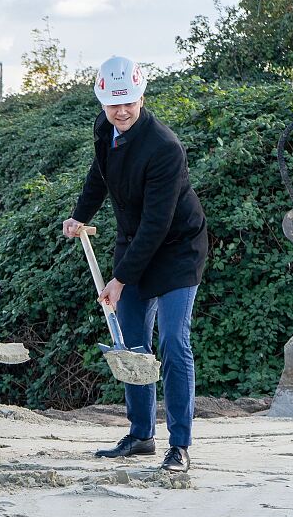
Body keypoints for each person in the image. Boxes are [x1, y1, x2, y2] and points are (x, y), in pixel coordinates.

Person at [61, 56, 208, 473]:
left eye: (128, 102)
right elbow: (98, 175)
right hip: (133, 243)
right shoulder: (104, 129)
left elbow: (157, 224)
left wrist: (121, 279)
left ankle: (179, 445)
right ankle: (141, 434)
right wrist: (81, 215)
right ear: (102, 102)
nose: (121, 111)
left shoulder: (164, 147)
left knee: (173, 343)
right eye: (112, 104)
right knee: (131, 345)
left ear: (142, 96)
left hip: (177, 248)